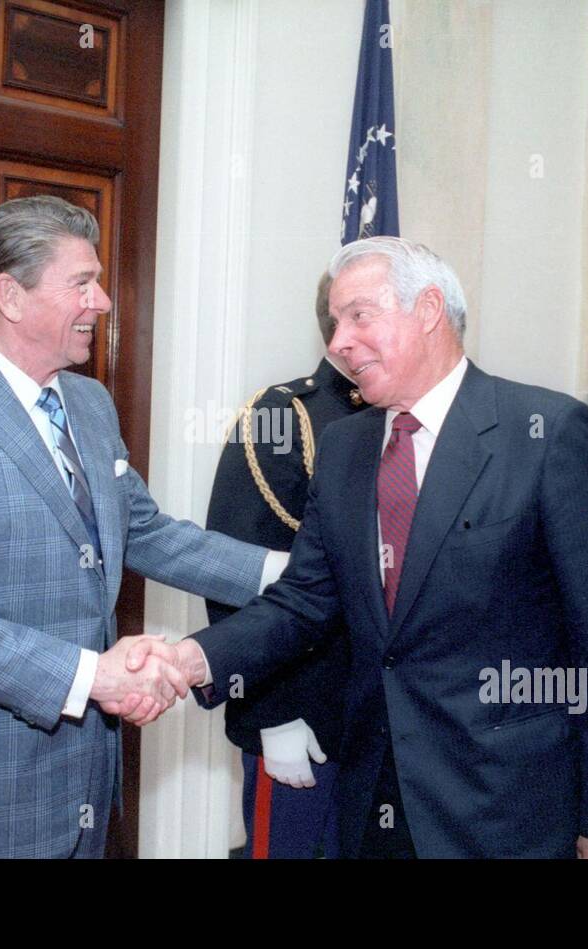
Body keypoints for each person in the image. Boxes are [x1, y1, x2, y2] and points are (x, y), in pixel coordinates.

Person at [130, 236, 588, 858]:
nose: (337, 342)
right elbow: (303, 601)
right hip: (375, 796)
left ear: (430, 308)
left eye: (359, 315)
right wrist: (191, 660)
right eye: (334, 323)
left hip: (506, 805)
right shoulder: (346, 448)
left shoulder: (548, 435)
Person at [0, 195, 283, 858]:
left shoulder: (88, 402)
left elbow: (142, 529)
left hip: (86, 775)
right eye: (82, 283)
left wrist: (284, 573)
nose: (104, 301)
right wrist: (92, 677)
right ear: (11, 295)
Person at [205, 273, 366, 859]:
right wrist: (274, 713)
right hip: (307, 715)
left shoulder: (410, 418)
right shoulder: (286, 416)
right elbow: (235, 578)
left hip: (385, 721)